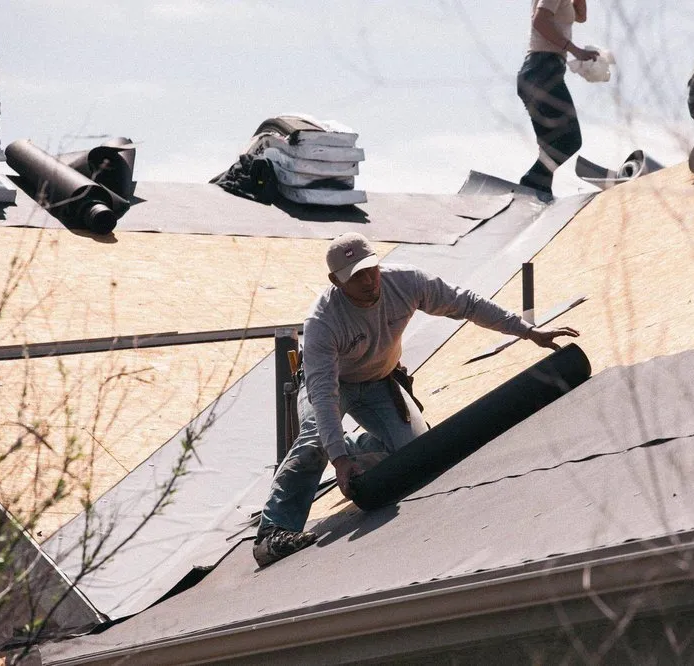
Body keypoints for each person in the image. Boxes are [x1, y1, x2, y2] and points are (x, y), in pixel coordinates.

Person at [253, 232, 580, 566]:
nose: (368, 281)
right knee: (316, 441)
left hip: (380, 379)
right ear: (336, 281)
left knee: (416, 455)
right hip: (330, 383)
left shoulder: (406, 283)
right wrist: (336, 458)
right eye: (356, 277)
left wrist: (528, 331)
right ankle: (273, 531)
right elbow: (323, 397)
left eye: (371, 269)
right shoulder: (324, 321)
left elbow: (465, 302)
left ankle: (354, 447)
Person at [517, 0, 599, 202]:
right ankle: (530, 184)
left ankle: (538, 193)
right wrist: (575, 50)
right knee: (569, 140)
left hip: (541, 72)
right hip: (542, 71)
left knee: (551, 146)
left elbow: (581, 16)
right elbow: (540, 21)